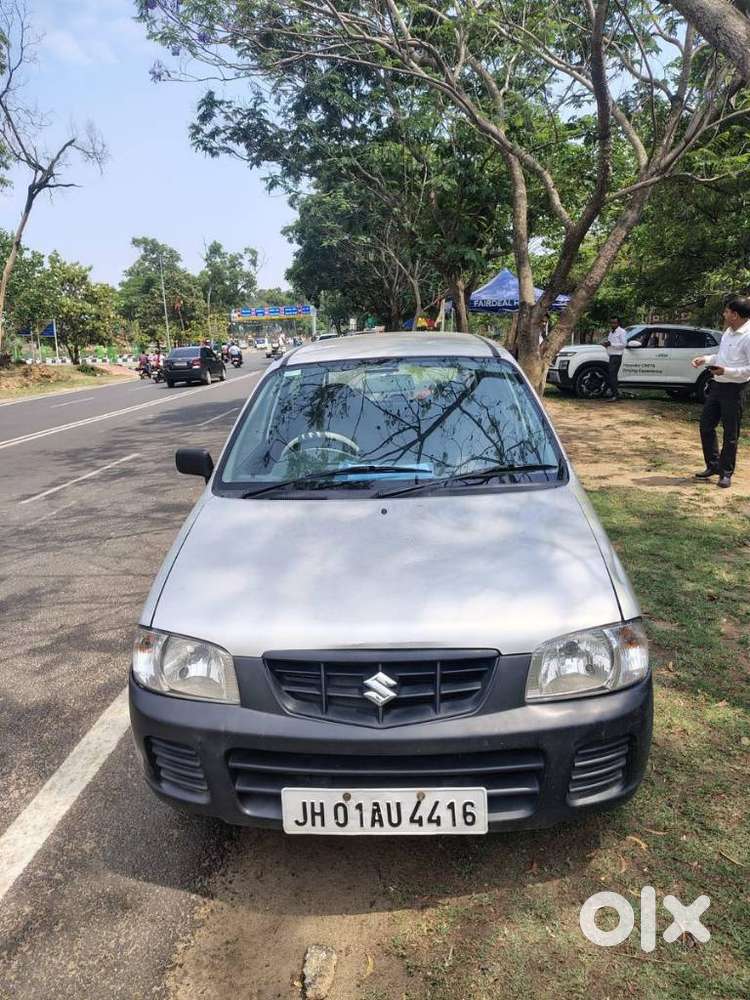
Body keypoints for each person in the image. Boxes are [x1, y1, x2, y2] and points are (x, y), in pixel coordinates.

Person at [692, 295, 750, 489]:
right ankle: (713, 465)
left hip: (735, 389)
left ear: (734, 314)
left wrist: (727, 371)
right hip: (717, 385)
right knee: (706, 426)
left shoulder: (748, 336)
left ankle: (726, 473)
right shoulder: (728, 332)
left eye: (726, 311)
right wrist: (706, 359)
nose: (724, 314)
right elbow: (722, 356)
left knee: (730, 433)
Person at [602, 316, 628, 400]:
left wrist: (611, 344)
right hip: (611, 355)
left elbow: (624, 344)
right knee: (611, 375)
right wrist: (606, 344)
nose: (613, 324)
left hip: (617, 356)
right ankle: (614, 393)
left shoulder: (622, 332)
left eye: (614, 323)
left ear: (618, 323)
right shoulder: (611, 332)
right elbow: (611, 342)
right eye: (611, 322)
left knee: (612, 375)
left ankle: (615, 395)